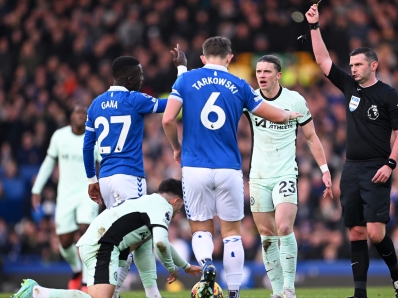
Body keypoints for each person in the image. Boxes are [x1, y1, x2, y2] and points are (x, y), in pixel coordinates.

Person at [162, 36, 302, 298]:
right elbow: (270, 112)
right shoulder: (240, 85)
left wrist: (176, 147)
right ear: (230, 58)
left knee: (201, 228)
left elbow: (168, 119)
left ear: (203, 58)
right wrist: (287, 115)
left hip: (194, 167)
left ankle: (206, 265)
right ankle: (234, 292)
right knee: (232, 234)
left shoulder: (186, 79)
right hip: (229, 168)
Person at [305, 5, 398, 298]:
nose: (352, 69)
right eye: (351, 65)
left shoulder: (389, 95)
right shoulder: (349, 86)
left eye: (358, 65)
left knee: (376, 232)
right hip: (351, 168)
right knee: (355, 232)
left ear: (373, 65)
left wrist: (390, 164)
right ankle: (360, 293)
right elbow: (323, 60)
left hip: (378, 166)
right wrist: (314, 27)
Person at [82, 55, 186, 298]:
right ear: (129, 78)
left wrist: (92, 180)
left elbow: (88, 147)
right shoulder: (134, 99)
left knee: (128, 237)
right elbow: (173, 103)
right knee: (131, 238)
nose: (142, 79)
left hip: (106, 178)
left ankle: (149, 293)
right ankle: (113, 291)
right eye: (139, 75)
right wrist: (182, 69)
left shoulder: (96, 104)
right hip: (129, 176)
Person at [12, 178, 202, 298]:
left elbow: (150, 251)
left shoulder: (149, 207)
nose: (178, 212)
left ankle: (37, 293)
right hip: (103, 246)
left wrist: (184, 266)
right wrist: (172, 269)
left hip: (99, 244)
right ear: (175, 201)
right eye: (180, 207)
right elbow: (161, 243)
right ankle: (37, 292)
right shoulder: (163, 207)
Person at [245, 55, 333, 298]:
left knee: (284, 226)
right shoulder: (250, 98)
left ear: (279, 75)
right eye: (259, 71)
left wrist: (325, 170)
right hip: (259, 176)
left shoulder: (295, 100)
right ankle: (276, 291)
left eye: (267, 71)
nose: (261, 75)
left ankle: (289, 289)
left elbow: (311, 137)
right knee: (266, 236)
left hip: (285, 173)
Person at [31, 104, 99, 291]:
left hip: (87, 193)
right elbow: (48, 163)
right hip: (66, 196)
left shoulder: (94, 137)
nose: (80, 115)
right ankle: (77, 270)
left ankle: (85, 282)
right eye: (76, 112)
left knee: (86, 233)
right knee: (65, 241)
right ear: (70, 116)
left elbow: (103, 162)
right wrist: (36, 189)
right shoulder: (59, 137)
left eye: (83, 113)